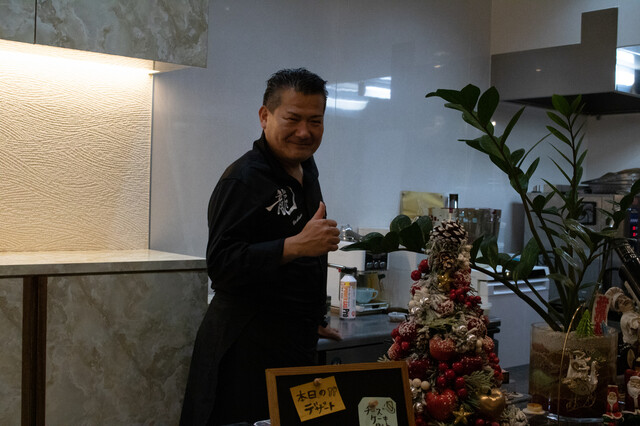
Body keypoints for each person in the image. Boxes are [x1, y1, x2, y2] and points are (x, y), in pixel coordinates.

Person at [180, 68, 342, 426]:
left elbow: (300, 264)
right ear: (265, 116)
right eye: (293, 119)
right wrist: (295, 246)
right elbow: (222, 264)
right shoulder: (243, 179)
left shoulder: (307, 170)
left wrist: (309, 317)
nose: (305, 131)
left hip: (294, 342)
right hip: (245, 348)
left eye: (315, 121)